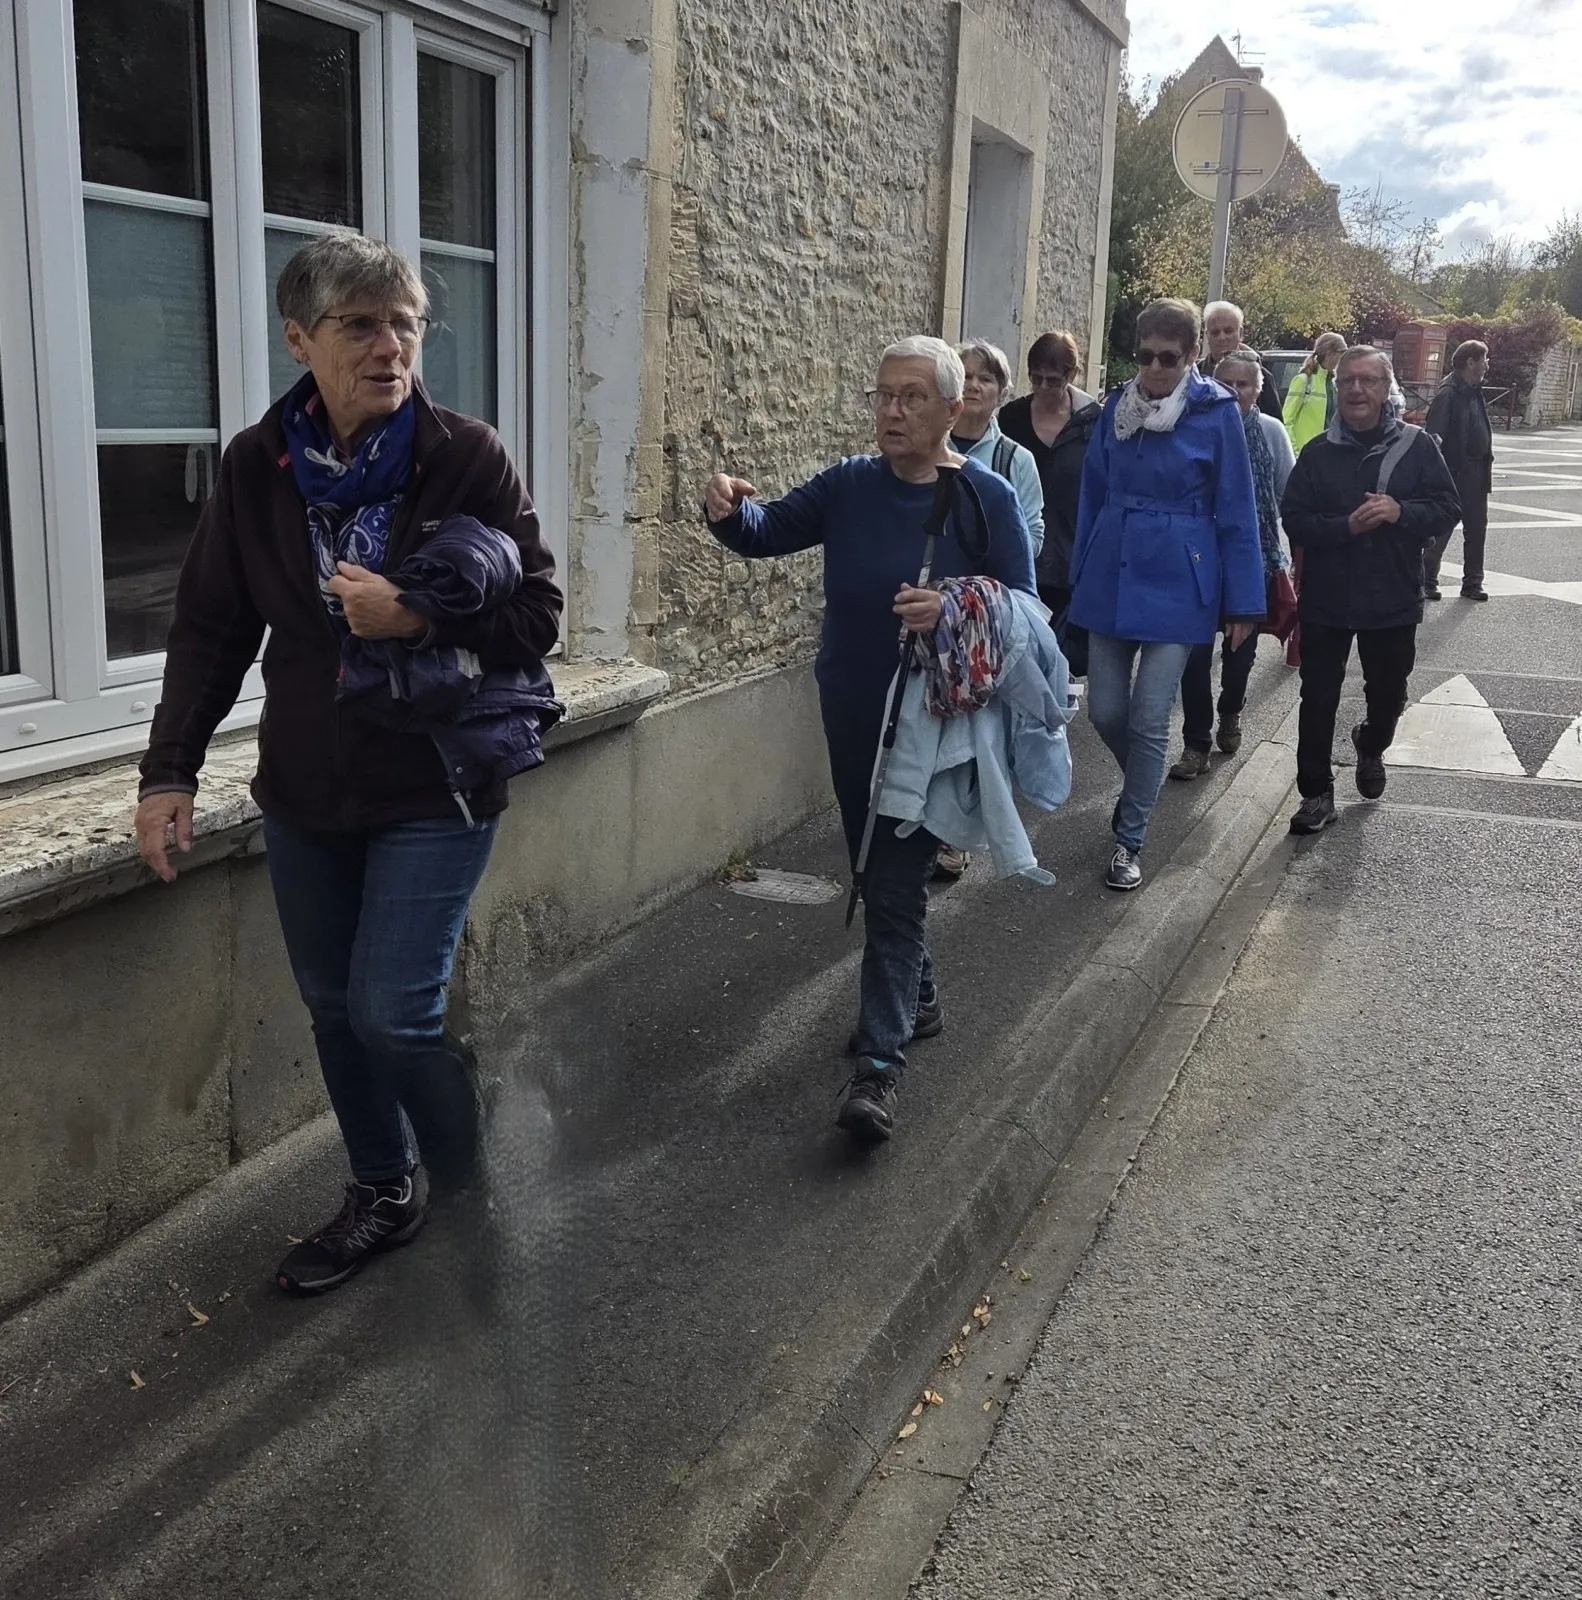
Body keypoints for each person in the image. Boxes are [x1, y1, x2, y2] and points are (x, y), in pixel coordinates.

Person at [133, 233, 563, 1295]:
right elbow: (211, 628)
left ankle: (472, 1192)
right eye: (360, 326)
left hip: (434, 778)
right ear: (300, 339)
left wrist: (415, 615)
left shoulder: (463, 455)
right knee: (334, 1006)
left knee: (394, 1012)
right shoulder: (256, 464)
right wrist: (168, 770)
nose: (390, 347)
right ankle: (383, 1187)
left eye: (405, 324)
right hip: (305, 786)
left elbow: (538, 614)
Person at [703, 336, 1035, 1143]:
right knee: (870, 860)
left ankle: (878, 1067)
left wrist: (953, 606)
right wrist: (726, 510)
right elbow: (767, 530)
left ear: (953, 409)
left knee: (892, 883)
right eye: (882, 395)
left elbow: (1028, 609)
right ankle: (920, 999)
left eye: (911, 397)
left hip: (934, 721)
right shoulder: (850, 483)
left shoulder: (985, 496)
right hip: (851, 708)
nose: (891, 411)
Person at [1069, 298, 1265, 892]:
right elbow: (1092, 493)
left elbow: (1238, 508)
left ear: (1192, 355)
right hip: (1112, 569)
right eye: (1145, 355)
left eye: (1168, 357)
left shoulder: (1217, 411)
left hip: (1183, 577)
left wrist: (1243, 602)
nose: (1154, 368)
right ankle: (1143, 786)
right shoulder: (1117, 407)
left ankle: (1129, 838)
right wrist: (1080, 573)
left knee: (1151, 718)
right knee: (1105, 710)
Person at [1280, 346, 1460, 834]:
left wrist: (1401, 513)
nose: (1356, 390)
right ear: (1337, 388)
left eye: (1368, 381)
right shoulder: (1318, 452)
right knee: (1318, 696)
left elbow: (1448, 508)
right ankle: (1316, 793)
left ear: (1386, 388)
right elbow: (1294, 518)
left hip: (1391, 596)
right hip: (1327, 597)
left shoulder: (1417, 446)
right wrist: (1346, 528)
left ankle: (1371, 742)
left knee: (1388, 693)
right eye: (1347, 381)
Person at [934, 338, 1045, 882]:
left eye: (987, 378)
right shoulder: (926, 449)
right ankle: (928, 822)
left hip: (984, 618)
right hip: (928, 611)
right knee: (931, 717)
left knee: (975, 721)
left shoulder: (1012, 460)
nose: (976, 385)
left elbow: (1033, 532)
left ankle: (955, 836)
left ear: (1001, 392)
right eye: (967, 375)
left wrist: (987, 584)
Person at [1169, 347, 1297, 779]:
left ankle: (1231, 711)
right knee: (1193, 654)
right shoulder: (1194, 426)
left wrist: (1290, 555)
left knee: (1240, 652)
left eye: (1244, 384)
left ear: (1258, 390)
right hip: (1199, 559)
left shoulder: (1271, 432)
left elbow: (1287, 493)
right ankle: (1195, 743)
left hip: (1252, 559)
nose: (1234, 390)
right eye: (1226, 383)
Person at [998, 330, 1103, 668]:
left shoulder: (1094, 423)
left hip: (1072, 553)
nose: (1043, 387)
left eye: (1053, 380)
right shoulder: (1010, 419)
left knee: (1065, 659)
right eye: (1036, 378)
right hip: (1022, 552)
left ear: (1073, 375)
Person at [1422, 339, 1493, 602]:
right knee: (1442, 528)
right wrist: (1438, 477)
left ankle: (1473, 583)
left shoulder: (1474, 390)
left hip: (1477, 471)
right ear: (1471, 362)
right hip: (1454, 472)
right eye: (1484, 359)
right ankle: (1426, 580)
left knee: (1477, 529)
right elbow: (1434, 439)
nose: (1487, 365)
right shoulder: (1448, 394)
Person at [1200, 301, 1283, 420]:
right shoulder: (1194, 375)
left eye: (1228, 331)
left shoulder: (1261, 376)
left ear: (1241, 333)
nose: (1222, 337)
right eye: (1215, 332)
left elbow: (1273, 423)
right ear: (1207, 336)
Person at [1283, 332, 1346, 449]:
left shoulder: (1335, 383)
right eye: (1342, 353)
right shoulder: (1303, 380)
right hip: (1305, 453)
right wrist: (1295, 451)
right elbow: (1287, 420)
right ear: (1330, 353)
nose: (1343, 358)